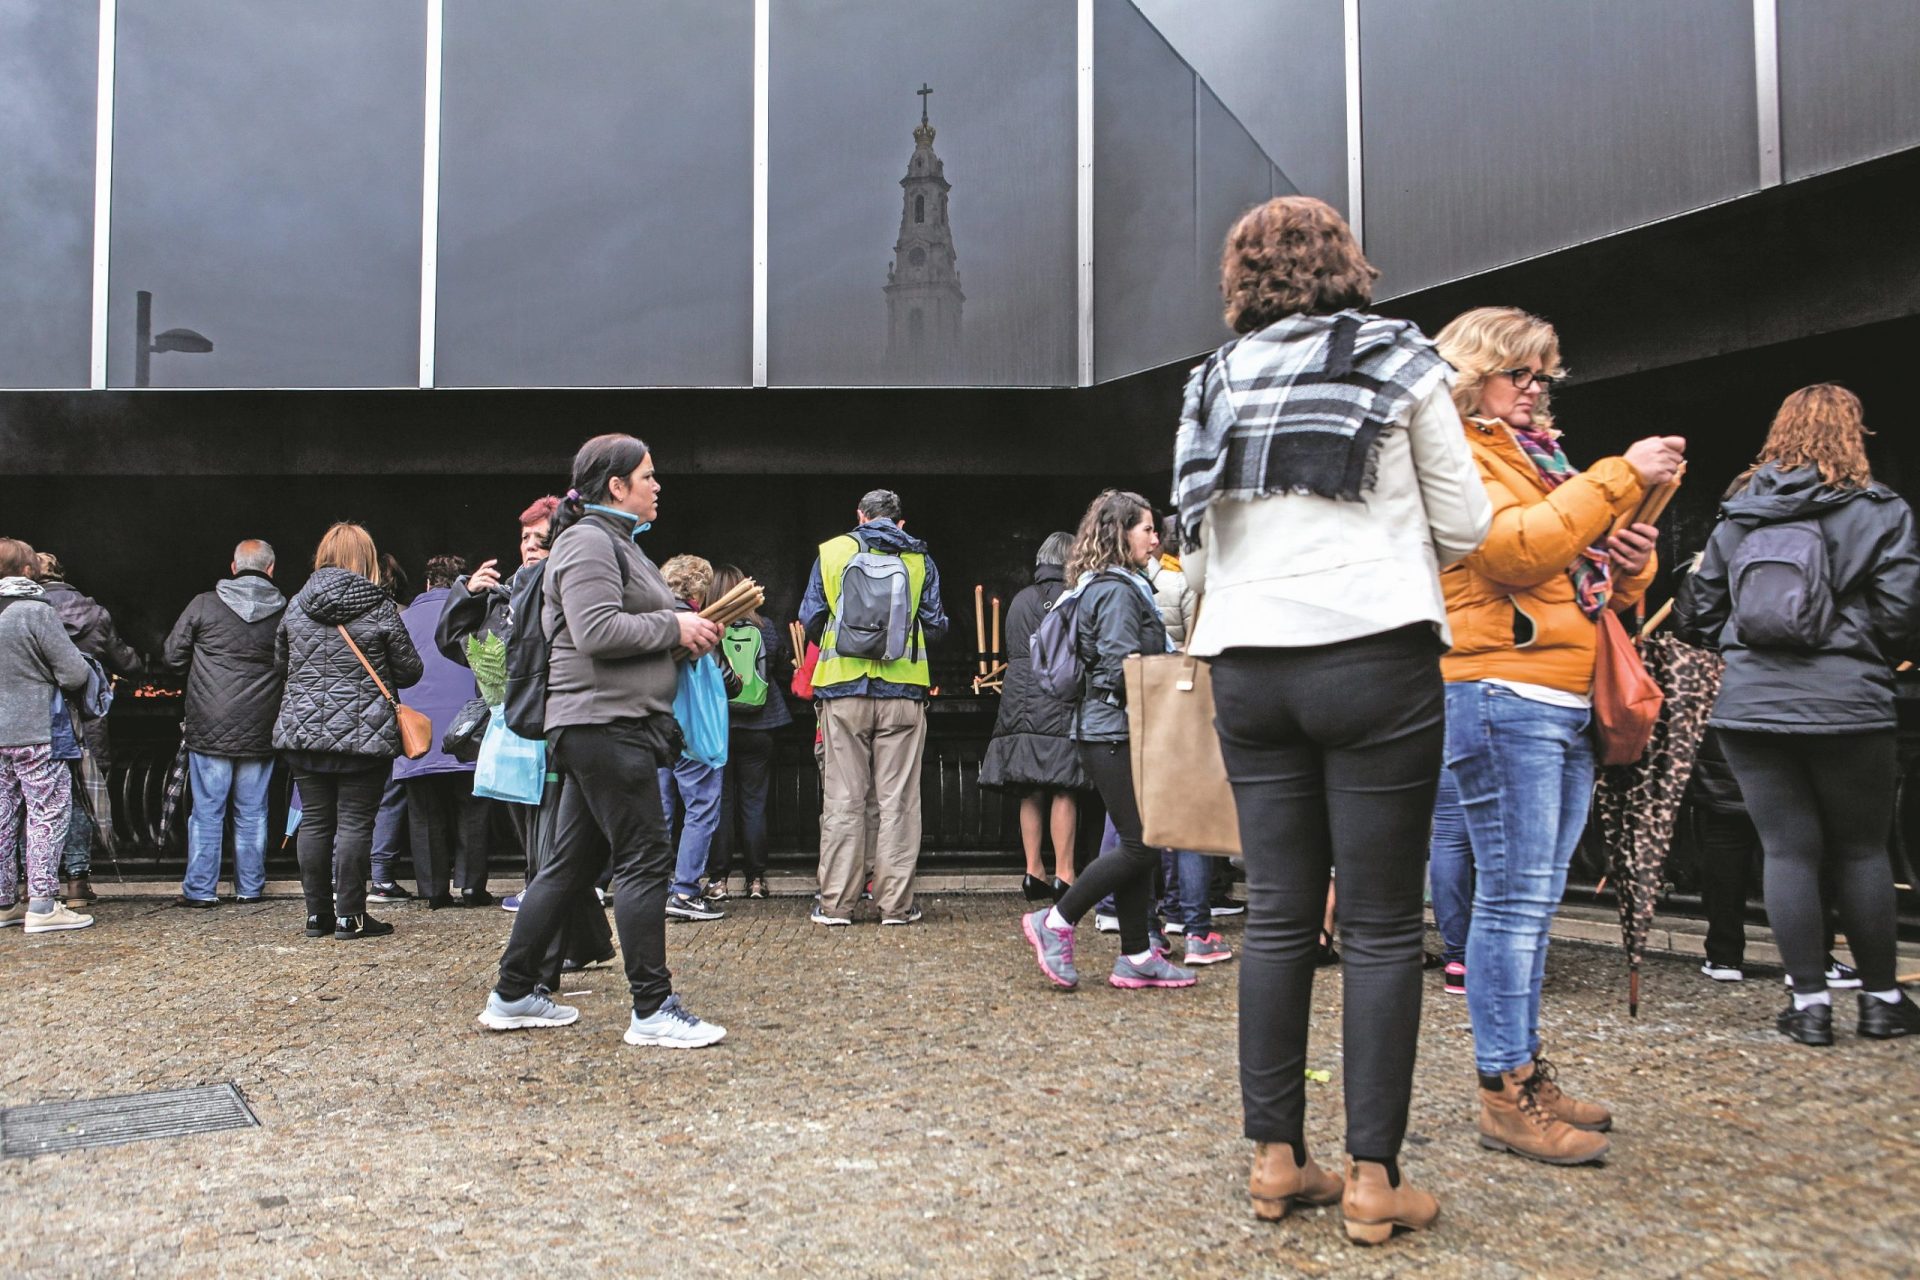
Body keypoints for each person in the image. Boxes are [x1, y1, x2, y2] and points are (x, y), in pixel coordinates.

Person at [1167, 196, 1491, 1241]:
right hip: (1373, 650)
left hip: (1250, 662)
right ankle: (1371, 1176)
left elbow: (1199, 552)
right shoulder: (1402, 360)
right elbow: (1468, 522)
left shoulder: (1214, 381)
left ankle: (1274, 1159)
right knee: (1385, 923)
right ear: (1348, 260)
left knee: (1272, 913)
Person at [1434, 304, 1680, 1166]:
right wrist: (1617, 476)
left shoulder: (1538, 459)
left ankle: (1524, 1073)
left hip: (1557, 692)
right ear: (1475, 377)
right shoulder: (1459, 452)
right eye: (1520, 374)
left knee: (1532, 904)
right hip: (1503, 690)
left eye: (1544, 375)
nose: (1536, 390)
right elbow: (1513, 552)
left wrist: (1632, 558)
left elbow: (1590, 587)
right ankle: (1505, 1091)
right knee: (1513, 901)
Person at [1674, 383, 1920, 1043]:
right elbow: (1901, 618)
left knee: (1787, 850)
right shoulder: (1880, 510)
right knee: (1863, 851)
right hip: (1848, 701)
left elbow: (1698, 617)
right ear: (1854, 433)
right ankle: (1881, 1000)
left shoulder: (1739, 514)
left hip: (1751, 704)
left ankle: (1808, 1005)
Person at [478, 434, 729, 1048]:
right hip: (606, 725)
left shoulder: (614, 543)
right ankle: (652, 1008)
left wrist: (683, 634)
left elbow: (615, 632)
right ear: (616, 487)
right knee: (645, 860)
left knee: (567, 865)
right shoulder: (591, 542)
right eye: (648, 475)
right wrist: (673, 623)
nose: (656, 485)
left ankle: (513, 994)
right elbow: (594, 630)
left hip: (601, 722)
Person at [1020, 489, 1199, 993]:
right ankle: (1054, 921)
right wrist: (1173, 668)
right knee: (1140, 844)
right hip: (1115, 730)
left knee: (1140, 838)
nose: (1155, 537)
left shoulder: (1103, 584)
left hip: (1112, 729)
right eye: (1146, 529)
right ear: (1122, 533)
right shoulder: (1118, 590)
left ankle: (1138, 955)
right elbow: (1123, 667)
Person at [800, 489, 949, 927]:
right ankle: (896, 907)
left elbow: (810, 620)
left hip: (842, 693)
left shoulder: (832, 552)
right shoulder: (919, 559)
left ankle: (835, 906)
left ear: (859, 517)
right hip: (903, 693)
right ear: (900, 523)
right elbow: (937, 626)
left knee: (843, 799)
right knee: (898, 801)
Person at [274, 522, 424, 941]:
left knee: (316, 821)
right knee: (357, 823)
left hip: (303, 733)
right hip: (364, 735)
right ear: (367, 559)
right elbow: (411, 671)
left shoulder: (296, 605)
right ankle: (352, 917)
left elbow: (280, 662)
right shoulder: (379, 607)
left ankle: (317, 916)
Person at [164, 539, 287, 907]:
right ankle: (249, 888)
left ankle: (201, 890)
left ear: (234, 567)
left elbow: (171, 657)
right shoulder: (285, 612)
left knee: (207, 811)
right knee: (252, 811)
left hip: (208, 725)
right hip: (262, 727)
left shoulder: (203, 604)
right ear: (270, 570)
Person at [979, 531, 1087, 901]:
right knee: (1064, 786)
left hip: (1020, 701)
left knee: (1030, 787)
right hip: (1062, 699)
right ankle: (1065, 873)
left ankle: (1032, 871)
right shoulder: (1075, 598)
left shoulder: (1020, 600)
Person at [0, 538, 97, 934]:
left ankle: (4, 902)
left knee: (2, 815)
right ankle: (42, 904)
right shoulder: (34, 612)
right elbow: (74, 673)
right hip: (37, 730)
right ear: (27, 572)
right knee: (46, 813)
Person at [35, 551, 141, 907]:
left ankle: (29, 886)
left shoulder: (23, 613)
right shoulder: (95, 614)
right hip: (85, 719)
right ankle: (78, 883)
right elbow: (125, 660)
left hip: (32, 719)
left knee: (30, 801)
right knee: (79, 799)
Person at [395, 555, 492, 908]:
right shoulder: (476, 614)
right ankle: (470, 885)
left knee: (423, 813)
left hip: (418, 735)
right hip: (468, 730)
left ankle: (434, 890)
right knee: (474, 809)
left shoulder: (401, 620)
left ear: (426, 584)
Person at [656, 554, 737, 922]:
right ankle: (686, 890)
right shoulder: (700, 625)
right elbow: (730, 682)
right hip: (694, 733)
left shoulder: (654, 623)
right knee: (701, 808)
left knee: (660, 810)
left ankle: (653, 886)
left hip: (656, 729)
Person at [706, 563, 793, 902]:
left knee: (721, 803)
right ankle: (756, 879)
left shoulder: (709, 629)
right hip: (762, 724)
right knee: (754, 803)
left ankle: (719, 879)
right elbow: (778, 667)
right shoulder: (767, 628)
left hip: (719, 725)